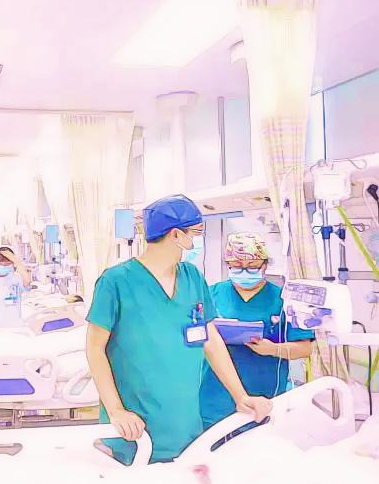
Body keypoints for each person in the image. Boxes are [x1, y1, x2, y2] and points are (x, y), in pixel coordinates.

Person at [85, 194, 272, 465]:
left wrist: (240, 396)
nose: (195, 241)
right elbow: (94, 348)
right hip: (135, 426)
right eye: (194, 233)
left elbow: (210, 339)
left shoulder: (192, 277)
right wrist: (116, 411)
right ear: (175, 235)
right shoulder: (116, 282)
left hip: (185, 425)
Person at [200, 233, 314, 429]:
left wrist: (272, 349)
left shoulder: (283, 299)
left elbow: (305, 349)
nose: (244, 271)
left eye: (252, 266)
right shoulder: (212, 294)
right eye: (236, 266)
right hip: (215, 394)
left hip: (264, 396)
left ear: (265, 265)